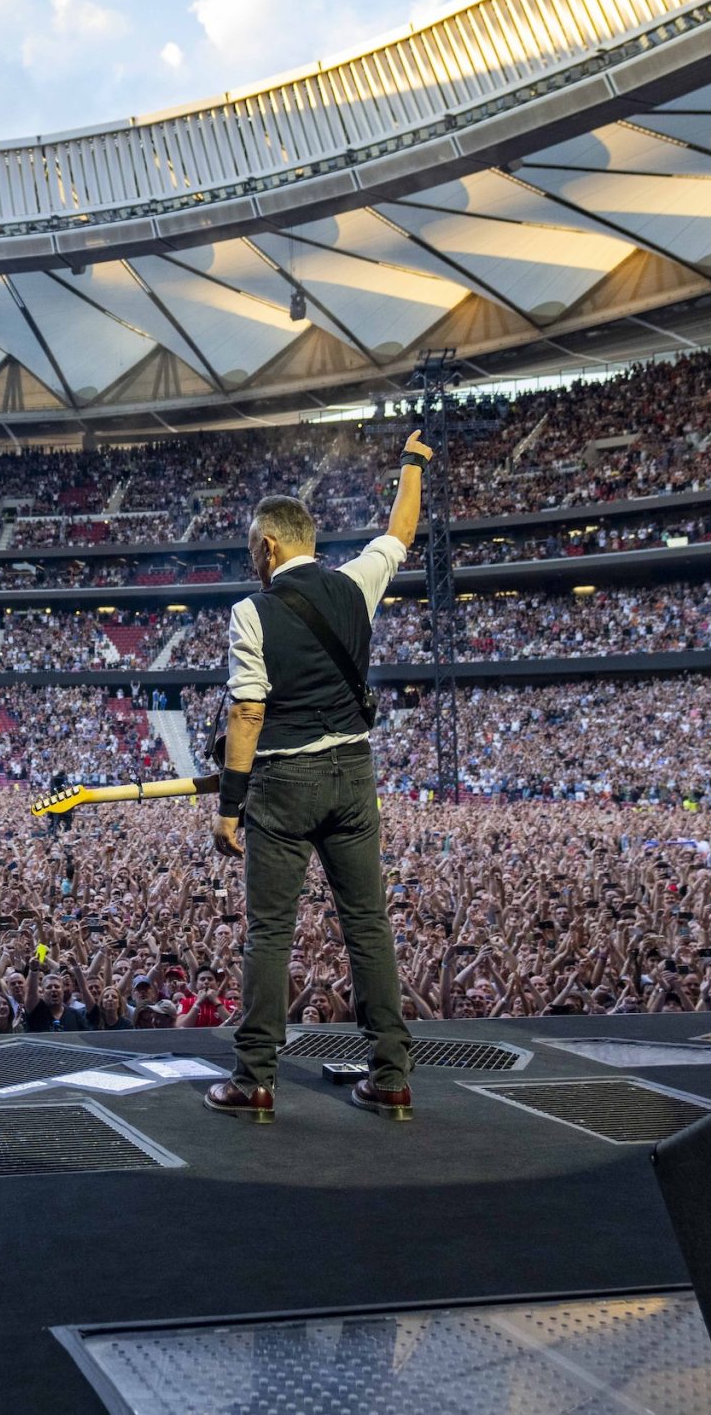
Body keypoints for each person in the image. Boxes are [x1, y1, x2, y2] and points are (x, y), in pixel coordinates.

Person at [207, 431, 432, 1124]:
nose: (252, 557)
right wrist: (413, 464)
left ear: (270, 546)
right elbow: (400, 530)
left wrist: (229, 806)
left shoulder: (253, 610)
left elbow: (248, 711)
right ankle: (391, 1074)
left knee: (270, 931)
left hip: (283, 781)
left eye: (252, 546)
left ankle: (255, 1079)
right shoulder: (355, 583)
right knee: (367, 923)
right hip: (353, 772)